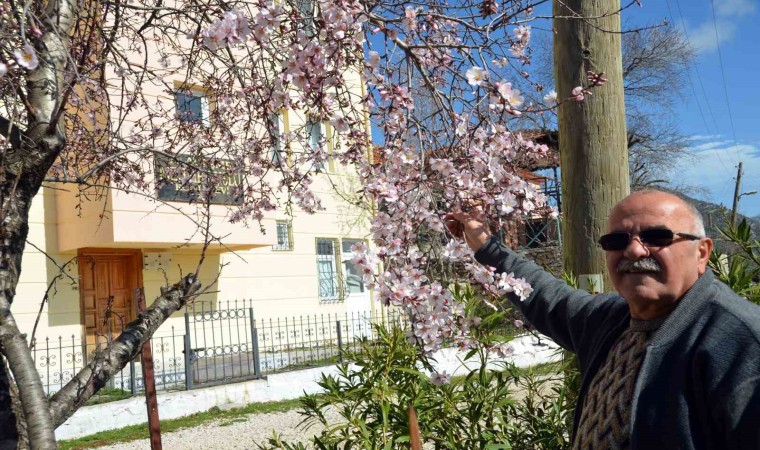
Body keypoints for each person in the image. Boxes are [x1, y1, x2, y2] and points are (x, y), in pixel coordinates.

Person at [445, 189, 760, 450]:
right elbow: (543, 294)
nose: (634, 251)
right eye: (616, 241)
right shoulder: (609, 320)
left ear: (702, 253)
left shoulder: (740, 343)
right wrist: (485, 244)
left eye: (656, 236)